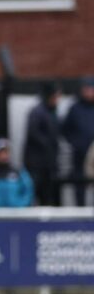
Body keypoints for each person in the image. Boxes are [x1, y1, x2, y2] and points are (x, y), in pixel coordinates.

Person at [23, 82, 63, 207]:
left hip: (49, 163)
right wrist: (49, 145)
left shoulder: (52, 112)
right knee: (35, 193)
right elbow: (34, 134)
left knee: (50, 195)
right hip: (36, 164)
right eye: (55, 96)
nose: (57, 100)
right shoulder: (37, 112)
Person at [62, 76, 94, 204]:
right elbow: (65, 129)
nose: (89, 92)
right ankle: (80, 211)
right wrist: (76, 143)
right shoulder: (75, 108)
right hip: (80, 154)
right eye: (87, 89)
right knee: (79, 185)